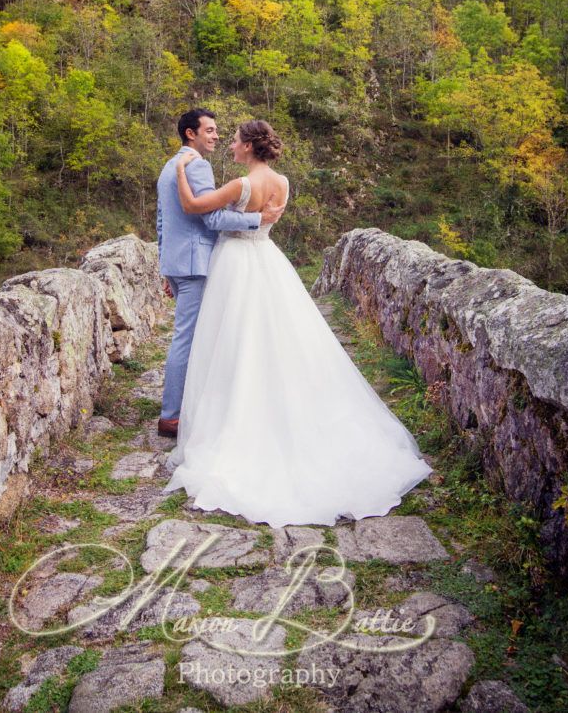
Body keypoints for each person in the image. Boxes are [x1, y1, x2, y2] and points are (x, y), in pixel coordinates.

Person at [163, 118, 433, 526]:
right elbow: (266, 222)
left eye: (235, 140)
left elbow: (196, 209)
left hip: (235, 262)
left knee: (231, 338)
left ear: (250, 148)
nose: (230, 145)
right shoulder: (285, 184)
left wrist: (181, 173)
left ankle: (233, 410)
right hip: (268, 260)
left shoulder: (240, 185)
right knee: (278, 336)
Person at [156, 109, 285, 437]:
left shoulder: (170, 165)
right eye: (210, 130)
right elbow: (210, 219)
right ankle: (172, 415)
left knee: (197, 334)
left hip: (178, 261)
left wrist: (167, 266)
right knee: (189, 338)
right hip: (195, 263)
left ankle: (195, 405)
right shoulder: (196, 166)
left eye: (221, 133)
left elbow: (162, 221)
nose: (216, 137)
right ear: (191, 134)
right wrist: (258, 221)